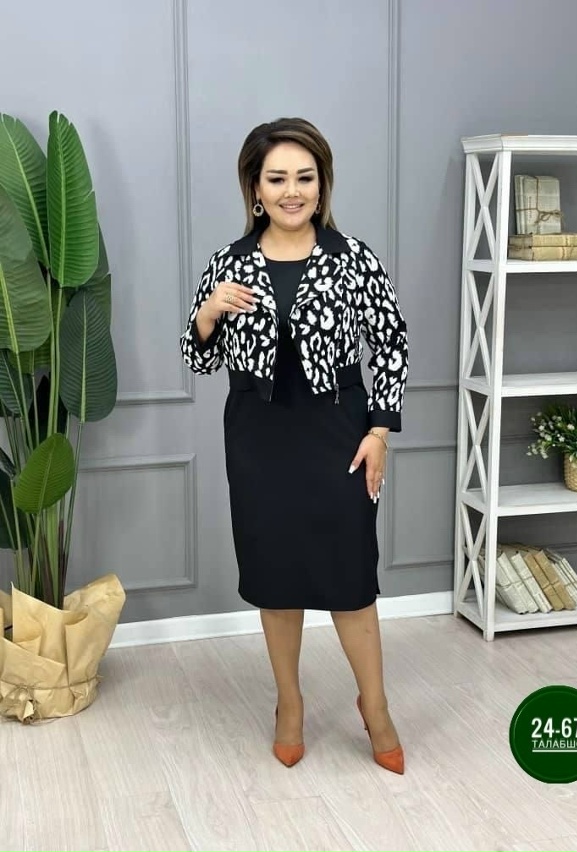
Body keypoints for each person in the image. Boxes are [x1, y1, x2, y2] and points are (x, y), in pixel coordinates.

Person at [180, 118, 409, 773]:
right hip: (258, 439)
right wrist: (208, 313)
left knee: (349, 580)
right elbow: (198, 360)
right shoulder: (229, 263)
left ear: (321, 184)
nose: (292, 191)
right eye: (277, 178)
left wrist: (379, 431)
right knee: (277, 580)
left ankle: (376, 706)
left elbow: (391, 343)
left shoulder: (353, 258)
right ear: (255, 188)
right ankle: (289, 704)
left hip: (338, 433)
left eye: (304, 177)